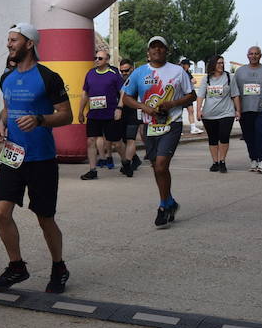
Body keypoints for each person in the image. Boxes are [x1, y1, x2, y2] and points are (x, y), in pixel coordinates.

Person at [0, 22, 72, 294]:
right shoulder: (7, 77)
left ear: (29, 43)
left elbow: (66, 115)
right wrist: (1, 124)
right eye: (9, 39)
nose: (9, 44)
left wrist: (39, 119)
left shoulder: (48, 77)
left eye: (14, 40)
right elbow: (8, 107)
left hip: (41, 158)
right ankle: (16, 266)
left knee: (44, 217)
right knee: (1, 211)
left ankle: (59, 266)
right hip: (13, 156)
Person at [121, 36, 196, 229]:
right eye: (153, 48)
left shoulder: (178, 71)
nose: (157, 51)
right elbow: (127, 97)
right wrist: (143, 107)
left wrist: (173, 103)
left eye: (160, 47)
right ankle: (170, 201)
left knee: (162, 165)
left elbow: (192, 95)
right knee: (156, 166)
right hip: (149, 125)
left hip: (172, 123)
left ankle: (163, 207)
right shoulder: (139, 73)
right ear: (148, 52)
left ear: (166, 50)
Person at [231, 45, 262, 174]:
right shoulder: (240, 71)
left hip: (261, 109)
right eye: (251, 54)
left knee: (261, 136)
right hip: (244, 110)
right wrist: (236, 109)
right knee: (248, 137)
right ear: (247, 56)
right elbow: (234, 91)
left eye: (256, 54)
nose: (253, 56)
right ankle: (253, 159)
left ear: (260, 56)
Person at [78, 49, 124, 179]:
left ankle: (125, 162)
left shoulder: (113, 74)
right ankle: (93, 170)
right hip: (94, 114)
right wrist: (80, 111)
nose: (97, 60)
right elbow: (85, 93)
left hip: (110, 114)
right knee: (90, 141)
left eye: (100, 58)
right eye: (96, 58)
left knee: (116, 142)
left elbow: (123, 93)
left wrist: (119, 108)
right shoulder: (90, 74)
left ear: (107, 60)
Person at [197, 55, 236, 173]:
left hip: (227, 112)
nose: (221, 65)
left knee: (224, 137)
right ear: (213, 64)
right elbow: (200, 96)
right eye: (219, 63)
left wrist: (238, 110)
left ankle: (222, 161)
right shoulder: (206, 79)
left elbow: (235, 95)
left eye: (223, 63)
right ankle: (215, 162)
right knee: (213, 139)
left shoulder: (229, 77)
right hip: (209, 114)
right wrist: (199, 110)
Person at [117, 58, 143, 176]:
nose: (124, 73)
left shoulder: (138, 79)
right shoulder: (121, 80)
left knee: (130, 139)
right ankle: (135, 159)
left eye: (126, 71)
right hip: (123, 113)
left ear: (132, 69)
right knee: (123, 140)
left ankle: (127, 164)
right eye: (121, 71)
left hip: (135, 112)